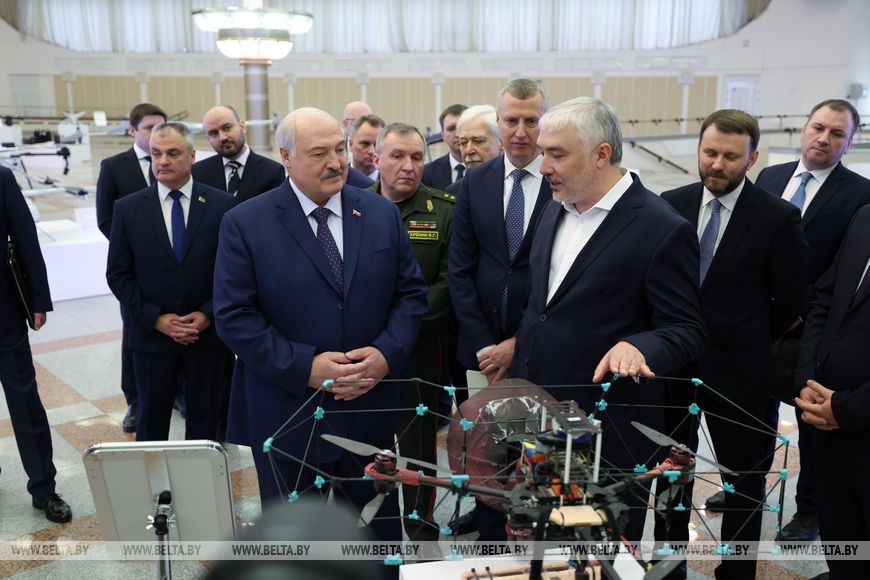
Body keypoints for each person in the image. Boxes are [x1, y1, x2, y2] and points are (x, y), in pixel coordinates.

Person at [213, 108, 427, 543]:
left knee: (376, 539)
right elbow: (234, 316)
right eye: (318, 154)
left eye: (339, 149)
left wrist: (386, 355)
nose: (336, 162)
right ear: (286, 156)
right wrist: (304, 366)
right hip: (288, 414)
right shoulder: (245, 223)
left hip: (369, 411)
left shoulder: (380, 213)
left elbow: (410, 295)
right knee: (295, 545)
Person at [509, 97, 707, 543]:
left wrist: (640, 345)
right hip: (540, 421)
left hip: (607, 434)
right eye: (543, 152)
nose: (543, 167)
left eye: (557, 154)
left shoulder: (660, 227)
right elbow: (545, 306)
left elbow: (687, 329)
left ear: (601, 154)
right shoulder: (554, 207)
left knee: (596, 556)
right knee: (543, 546)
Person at [706, 99, 870, 542]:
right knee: (753, 414)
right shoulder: (771, 177)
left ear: (850, 142)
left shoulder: (860, 194)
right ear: (804, 128)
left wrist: (803, 315)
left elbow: (843, 271)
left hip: (812, 331)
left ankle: (810, 509)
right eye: (818, 127)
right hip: (761, 326)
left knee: (811, 425)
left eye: (837, 133)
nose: (824, 138)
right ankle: (746, 486)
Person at [656, 109, 808, 579]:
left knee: (743, 480)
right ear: (699, 149)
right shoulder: (670, 204)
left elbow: (792, 299)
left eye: (730, 156)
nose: (717, 164)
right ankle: (668, 565)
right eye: (710, 153)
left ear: (752, 158)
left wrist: (748, 333)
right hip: (674, 368)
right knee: (671, 472)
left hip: (741, 372)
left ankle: (737, 571)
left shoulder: (778, 217)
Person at [448, 80, 552, 537]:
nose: (520, 131)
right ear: (498, 121)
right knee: (486, 457)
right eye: (511, 120)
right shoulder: (475, 181)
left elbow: (561, 277)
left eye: (531, 121)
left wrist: (518, 344)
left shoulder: (559, 179)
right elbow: (460, 269)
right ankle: (491, 540)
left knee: (539, 457)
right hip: (481, 354)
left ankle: (541, 548)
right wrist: (485, 348)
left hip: (540, 349)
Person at [106, 122, 235, 442]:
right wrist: (155, 318)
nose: (162, 161)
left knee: (206, 421)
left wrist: (207, 314)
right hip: (151, 338)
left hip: (207, 338)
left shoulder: (222, 206)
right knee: (151, 421)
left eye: (173, 153)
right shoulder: (128, 209)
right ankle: (152, 477)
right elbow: (118, 274)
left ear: (192, 156)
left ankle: (201, 475)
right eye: (156, 154)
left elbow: (233, 271)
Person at [368, 122, 454, 541]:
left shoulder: (444, 210)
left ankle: (421, 525)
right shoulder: (354, 206)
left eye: (417, 157)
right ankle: (375, 526)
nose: (409, 165)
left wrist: (396, 331)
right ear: (375, 159)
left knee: (419, 442)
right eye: (398, 156)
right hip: (365, 351)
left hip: (421, 347)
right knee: (370, 438)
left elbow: (447, 284)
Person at [794, 204, 870, 580]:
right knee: (842, 545)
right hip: (828, 434)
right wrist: (807, 377)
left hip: (859, 421)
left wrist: (846, 408)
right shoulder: (865, 216)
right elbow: (825, 299)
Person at [0, 166, 72, 523]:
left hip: (4, 315)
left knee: (25, 402)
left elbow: (25, 238)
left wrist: (38, 299)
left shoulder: (1, 178)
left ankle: (44, 487)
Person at [96, 103, 167, 433]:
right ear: (133, 131)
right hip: (135, 271)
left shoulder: (174, 162)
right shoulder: (114, 166)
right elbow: (105, 218)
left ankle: (176, 393)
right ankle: (136, 401)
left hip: (175, 266)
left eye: (161, 127)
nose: (156, 134)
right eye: (150, 128)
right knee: (135, 335)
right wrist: (135, 251)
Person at [193, 105, 285, 203]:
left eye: (227, 128)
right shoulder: (198, 173)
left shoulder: (272, 172)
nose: (222, 138)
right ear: (208, 138)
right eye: (214, 133)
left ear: (242, 126)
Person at [445, 104, 502, 195]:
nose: (468, 151)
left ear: (501, 143)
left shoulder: (515, 187)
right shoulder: (454, 192)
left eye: (478, 141)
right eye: (463, 143)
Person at [422, 104, 467, 190]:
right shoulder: (427, 173)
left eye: (461, 127)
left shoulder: (488, 169)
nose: (457, 134)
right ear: (443, 135)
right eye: (451, 129)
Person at [349, 114, 385, 180]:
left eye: (377, 145)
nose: (372, 151)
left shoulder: (391, 182)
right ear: (350, 144)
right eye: (365, 144)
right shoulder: (337, 179)